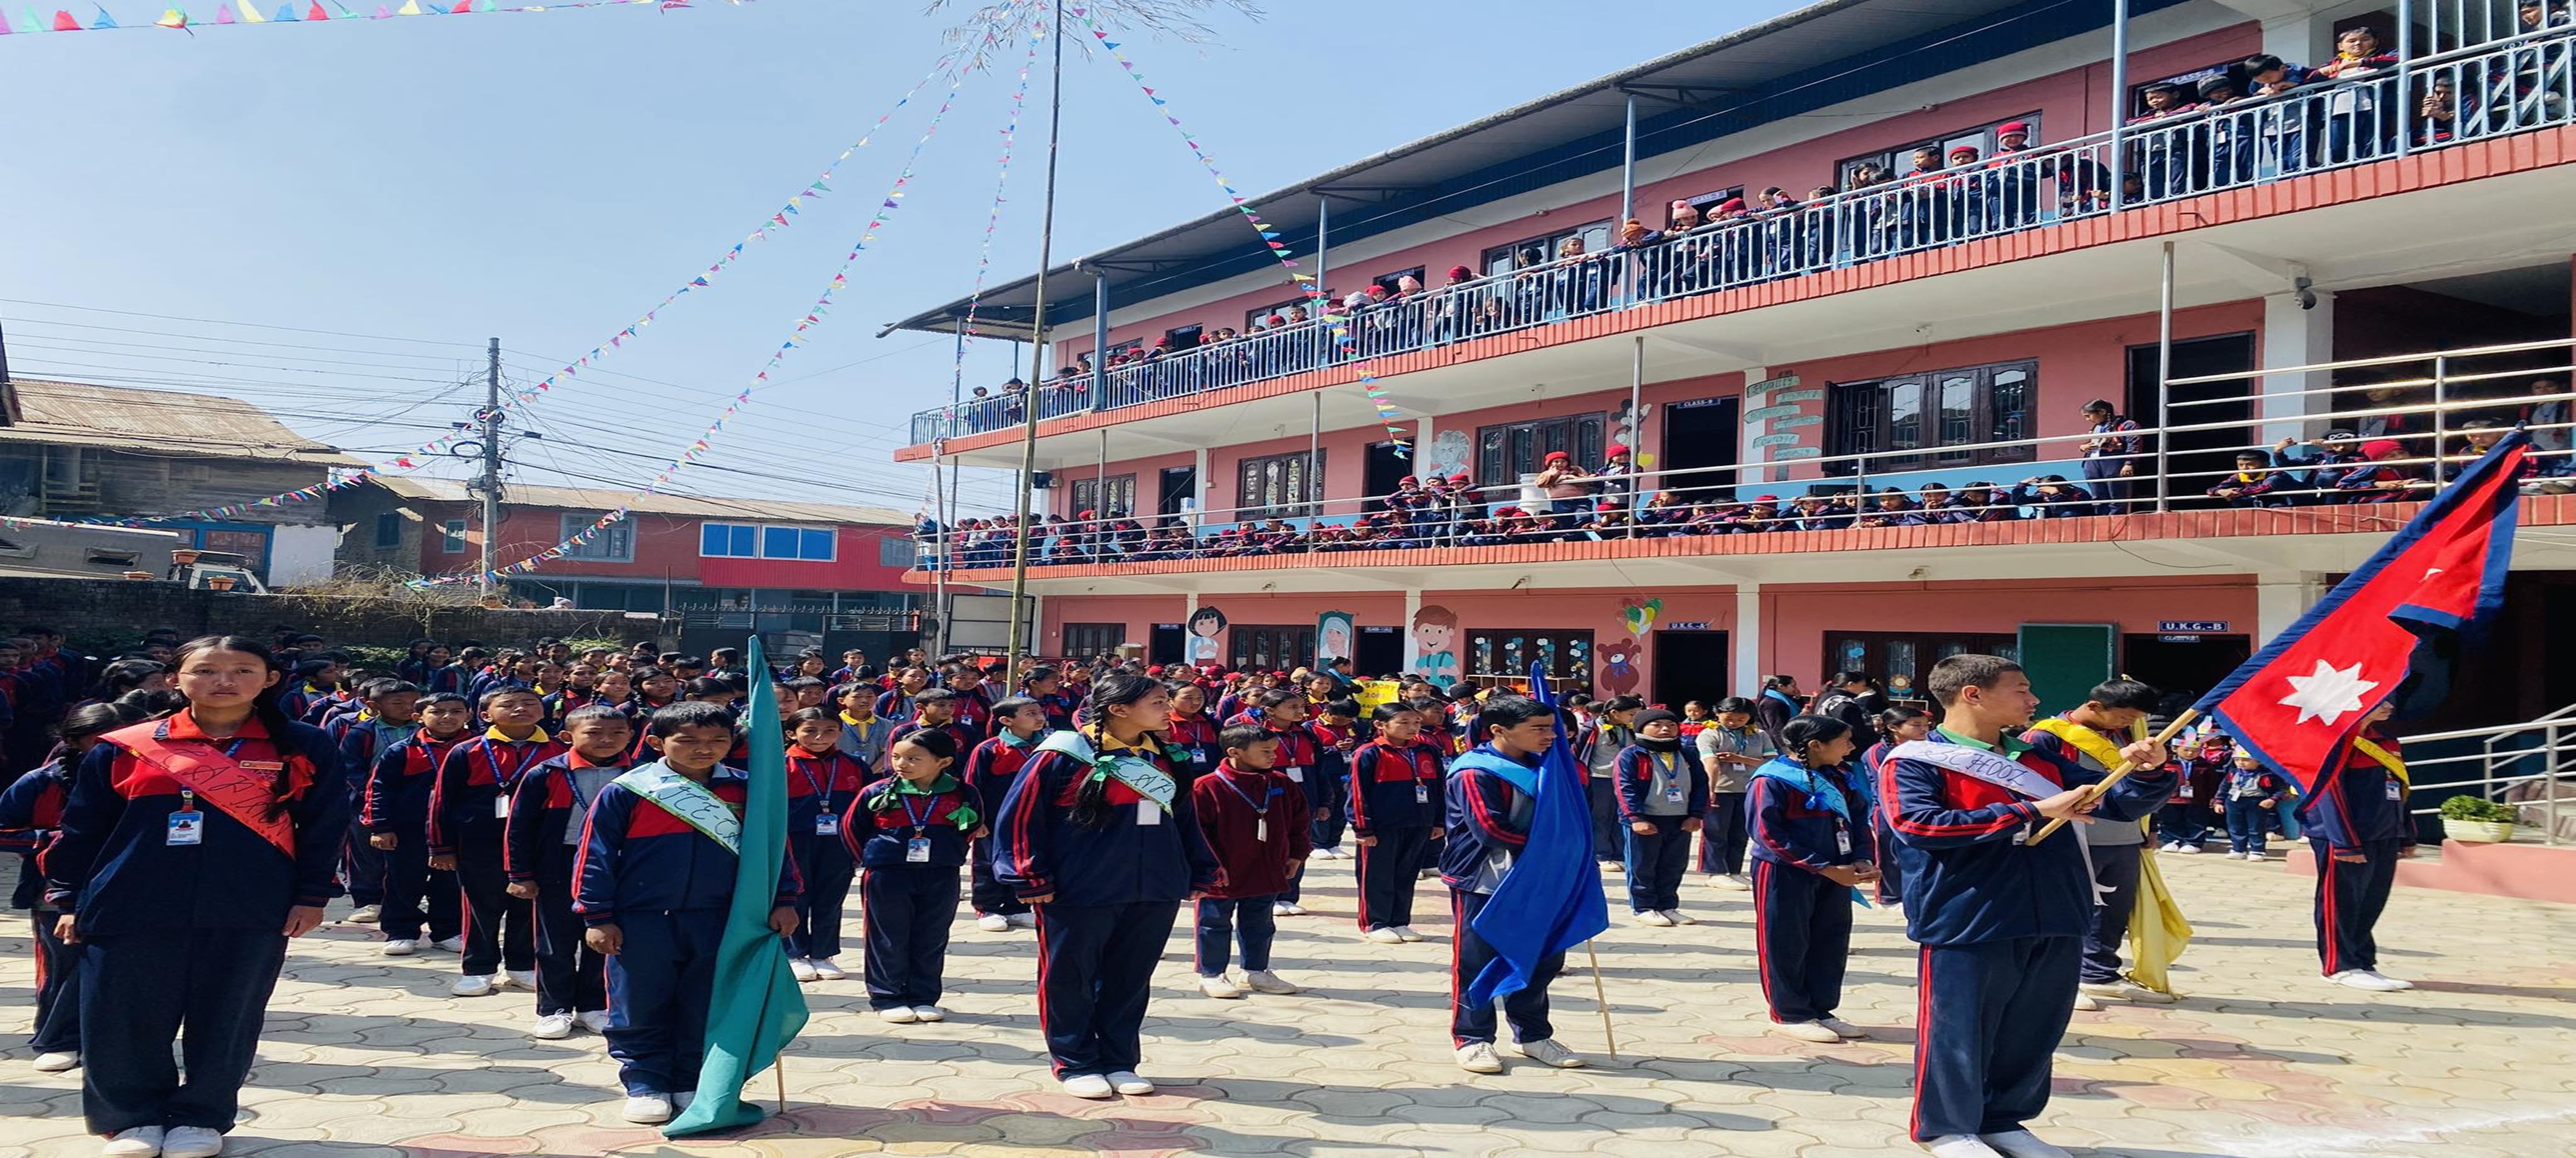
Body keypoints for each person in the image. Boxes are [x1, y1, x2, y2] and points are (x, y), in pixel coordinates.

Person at [41, 635, 350, 1158]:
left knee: (228, 1012)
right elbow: (82, 829)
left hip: (252, 901)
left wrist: (312, 895)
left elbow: (324, 825)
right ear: (174, 679)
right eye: (206, 670)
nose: (223, 682)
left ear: (271, 679)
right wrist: (68, 897)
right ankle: (130, 1118)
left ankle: (202, 1116)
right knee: (123, 1012)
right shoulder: (126, 746)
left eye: (242, 670)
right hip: (130, 898)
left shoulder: (301, 744)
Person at [1879, 653, 2170, 1158]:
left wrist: (2148, 773)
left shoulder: (2039, 757)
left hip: (2056, 907)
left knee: (2035, 1026)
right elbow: (1919, 826)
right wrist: (2029, 811)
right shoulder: (1916, 760)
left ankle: (2003, 1119)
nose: (2034, 700)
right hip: (1969, 913)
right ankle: (1946, 1128)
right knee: (1960, 1029)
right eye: (2021, 689)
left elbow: (2115, 805)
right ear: (1973, 694)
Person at [992, 673, 1219, 1100]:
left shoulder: (1166, 756)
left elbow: (1186, 819)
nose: (1167, 708)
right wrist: (1027, 874)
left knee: (1130, 977)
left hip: (1155, 885)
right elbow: (1021, 818)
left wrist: (1199, 869)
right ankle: (1075, 1062)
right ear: (1118, 709)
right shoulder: (1063, 755)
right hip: (1080, 888)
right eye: (1157, 701)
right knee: (1070, 976)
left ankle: (1119, 1060)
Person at [1443, 694, 1589, 1076]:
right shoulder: (1475, 772)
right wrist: (1554, 845)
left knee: (1543, 958)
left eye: (1551, 727)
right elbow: (1490, 829)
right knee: (1477, 960)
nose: (1550, 736)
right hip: (1486, 879)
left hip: (1545, 878)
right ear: (1499, 731)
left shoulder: (1551, 766)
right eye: (1538, 729)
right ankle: (1473, 1038)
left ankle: (1533, 1034)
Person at [0, 702, 136, 1076]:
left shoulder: (149, 777)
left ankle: (105, 1040)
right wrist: (54, 838)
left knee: (121, 965)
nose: (114, 748)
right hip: (55, 889)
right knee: (63, 964)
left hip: (131, 885)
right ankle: (56, 1038)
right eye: (100, 741)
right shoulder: (41, 782)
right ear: (74, 741)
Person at [2023, 679, 2174, 1009]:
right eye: (2122, 717)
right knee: (2069, 909)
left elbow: (2141, 784)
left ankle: (2100, 973)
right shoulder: (2046, 735)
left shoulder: (2129, 734)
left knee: (2113, 913)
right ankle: (2060, 978)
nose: (2127, 724)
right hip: (2072, 837)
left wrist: (2151, 825)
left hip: (2124, 836)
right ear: (2095, 706)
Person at [428, 686, 565, 998]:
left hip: (538, 843)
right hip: (480, 843)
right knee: (481, 906)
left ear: (543, 711)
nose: (520, 709)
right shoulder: (468, 750)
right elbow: (442, 801)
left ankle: (521, 966)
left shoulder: (557, 750)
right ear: (486, 715)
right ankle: (479, 968)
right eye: (509, 704)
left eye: (529, 703)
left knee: (528, 905)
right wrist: (441, 847)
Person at [1750, 714, 1878, 1043]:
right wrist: (1822, 866)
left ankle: (1821, 1009)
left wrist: (1862, 859)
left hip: (1838, 871)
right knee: (1786, 941)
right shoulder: (1772, 780)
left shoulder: (1840, 775)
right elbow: (1768, 834)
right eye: (1844, 741)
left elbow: (1858, 820)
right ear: (1815, 745)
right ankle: (1789, 1012)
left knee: (1830, 940)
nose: (1851, 747)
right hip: (1786, 872)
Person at [502, 703, 627, 1040]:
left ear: (631, 735)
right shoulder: (548, 773)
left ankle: (593, 1005)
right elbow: (520, 826)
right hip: (559, 863)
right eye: (594, 733)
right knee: (555, 941)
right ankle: (553, 1009)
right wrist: (520, 874)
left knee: (604, 938)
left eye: (617, 733)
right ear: (567, 737)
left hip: (616, 864)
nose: (607, 740)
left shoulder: (639, 773)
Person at [846, 727, 983, 1023]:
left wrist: (948, 854)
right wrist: (873, 860)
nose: (901, 764)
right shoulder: (877, 792)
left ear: (943, 762)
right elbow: (852, 829)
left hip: (941, 873)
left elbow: (973, 827)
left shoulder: (962, 792)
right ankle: (888, 996)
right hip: (888, 875)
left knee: (932, 935)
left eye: (913, 758)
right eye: (896, 757)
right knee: (888, 935)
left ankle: (923, 996)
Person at [2300, 702, 2416, 991]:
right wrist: (2344, 842)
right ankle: (2338, 966)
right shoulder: (2332, 743)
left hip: (2383, 832)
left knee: (2371, 900)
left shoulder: (2386, 742)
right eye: (2379, 700)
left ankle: (2363, 961)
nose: (2389, 705)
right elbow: (2328, 793)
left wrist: (2406, 833)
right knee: (2342, 901)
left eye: (2390, 699)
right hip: (2345, 836)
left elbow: (2399, 788)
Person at [1190, 724, 1312, 998]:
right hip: (1224, 871)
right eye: (1265, 751)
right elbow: (1197, 831)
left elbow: (1300, 821)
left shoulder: (1280, 782)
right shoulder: (1207, 786)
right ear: (1235, 752)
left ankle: (1256, 971)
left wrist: (1296, 855)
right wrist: (1209, 867)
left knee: (1260, 921)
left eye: (1275, 751)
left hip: (1267, 866)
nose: (1273, 757)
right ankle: (1212, 973)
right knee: (1214, 923)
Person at [363, 692, 471, 956]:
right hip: (408, 828)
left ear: (468, 716)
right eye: (437, 712)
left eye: (456, 711)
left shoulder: (476, 748)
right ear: (418, 717)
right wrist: (381, 826)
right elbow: (380, 789)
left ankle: (447, 931)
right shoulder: (403, 750)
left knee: (450, 882)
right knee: (404, 880)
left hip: (456, 830)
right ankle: (401, 931)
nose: (447, 717)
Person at [1347, 702, 1444, 944]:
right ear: (1381, 725)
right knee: (1378, 875)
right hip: (1382, 826)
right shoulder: (1369, 753)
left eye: (1416, 723)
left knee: (1407, 873)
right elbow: (1358, 793)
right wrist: (1363, 828)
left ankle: (1400, 921)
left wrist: (1439, 822)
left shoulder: (1427, 750)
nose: (1412, 728)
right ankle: (1375, 922)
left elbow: (1439, 789)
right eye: (1404, 723)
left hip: (1419, 822)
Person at [962, 697, 1048, 932]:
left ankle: (1016, 906)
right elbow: (972, 786)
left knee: (1024, 860)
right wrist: (976, 819)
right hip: (994, 819)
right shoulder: (989, 749)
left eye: (1040, 712)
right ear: (1007, 721)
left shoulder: (1049, 746)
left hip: (1033, 817)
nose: (1040, 717)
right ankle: (986, 907)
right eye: (1030, 713)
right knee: (988, 861)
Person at [1615, 708, 1708, 926]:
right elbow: (1624, 788)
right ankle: (1644, 907)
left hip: (1680, 818)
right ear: (1641, 728)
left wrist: (1696, 815)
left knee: (1674, 864)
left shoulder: (1687, 753)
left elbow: (1701, 784)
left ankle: (1668, 905)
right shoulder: (1632, 755)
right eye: (1657, 725)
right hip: (1646, 819)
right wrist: (1636, 818)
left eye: (1671, 725)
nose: (1666, 729)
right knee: (1642, 865)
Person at [1695, 697, 1773, 890]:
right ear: (1718, 714)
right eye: (1729, 718)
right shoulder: (1710, 734)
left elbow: (1771, 762)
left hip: (1748, 789)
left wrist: (1740, 759)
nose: (1734, 723)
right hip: (1722, 788)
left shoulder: (1759, 735)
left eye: (1740, 719)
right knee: (1716, 831)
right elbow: (1710, 763)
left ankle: (1734, 870)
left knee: (1740, 832)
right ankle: (1714, 871)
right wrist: (1710, 789)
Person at [1860, 705, 1933, 907]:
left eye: (1926, 725)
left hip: (1919, 807)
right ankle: (1889, 896)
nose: (1923, 730)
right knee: (1889, 854)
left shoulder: (1930, 747)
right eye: (1916, 725)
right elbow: (1885, 783)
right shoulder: (1877, 753)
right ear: (1894, 727)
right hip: (1887, 810)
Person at [1582, 695, 1643, 871]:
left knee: (1622, 816)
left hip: (1625, 779)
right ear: (1615, 713)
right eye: (1632, 714)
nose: (1635, 718)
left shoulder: (1630, 729)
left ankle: (1620, 853)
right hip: (1600, 778)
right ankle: (1601, 854)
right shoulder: (1591, 729)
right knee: (1601, 816)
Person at [2219, 750, 2291, 861]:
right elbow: (2224, 788)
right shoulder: (2233, 773)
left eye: (2246, 760)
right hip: (2234, 801)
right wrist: (2219, 802)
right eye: (2237, 760)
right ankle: (2238, 849)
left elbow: (2281, 790)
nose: (2241, 763)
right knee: (2235, 827)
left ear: (2258, 761)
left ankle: (2257, 850)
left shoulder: (2267, 775)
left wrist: (2272, 799)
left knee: (2256, 827)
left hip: (2256, 802)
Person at [2076, 399, 2146, 511]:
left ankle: (2115, 520)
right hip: (2093, 462)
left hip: (2113, 461)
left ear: (2102, 412)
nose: (2088, 419)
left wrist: (2129, 463)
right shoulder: (2096, 427)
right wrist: (2083, 447)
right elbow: (2093, 442)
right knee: (2097, 495)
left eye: (2089, 416)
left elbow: (2134, 444)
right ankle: (2101, 520)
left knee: (2117, 493)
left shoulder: (2127, 425)